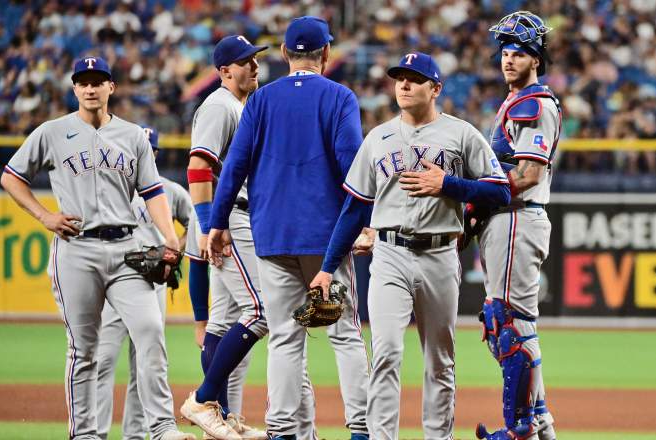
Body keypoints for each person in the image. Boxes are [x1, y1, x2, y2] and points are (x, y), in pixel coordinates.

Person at [310, 51, 511, 440]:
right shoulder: (378, 138)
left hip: (439, 254)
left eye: (414, 79)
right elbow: (354, 210)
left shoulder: (461, 133)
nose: (403, 84)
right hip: (389, 254)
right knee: (386, 353)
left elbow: (500, 192)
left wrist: (449, 185)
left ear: (435, 88)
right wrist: (326, 267)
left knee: (440, 361)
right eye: (399, 77)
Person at [0, 56, 194, 440]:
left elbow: (152, 190)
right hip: (77, 248)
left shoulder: (133, 135)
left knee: (151, 331)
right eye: (83, 82)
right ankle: (85, 434)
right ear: (75, 89)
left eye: (98, 81)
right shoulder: (52, 132)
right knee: (84, 350)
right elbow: (11, 177)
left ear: (111, 88)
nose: (90, 88)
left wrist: (170, 237)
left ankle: (160, 428)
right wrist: (44, 216)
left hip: (127, 249)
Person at [201, 17, 370, 440]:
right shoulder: (340, 96)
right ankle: (362, 430)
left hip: (271, 236)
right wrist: (364, 222)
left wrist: (217, 222)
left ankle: (281, 431)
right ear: (326, 55)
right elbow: (354, 169)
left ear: (283, 54)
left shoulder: (261, 100)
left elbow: (233, 166)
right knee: (345, 335)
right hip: (325, 236)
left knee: (284, 337)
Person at [178, 35, 271, 440]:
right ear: (223, 71)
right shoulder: (219, 105)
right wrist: (207, 225)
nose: (253, 66)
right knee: (262, 310)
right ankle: (203, 398)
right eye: (244, 61)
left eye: (254, 60)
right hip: (228, 220)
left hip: (230, 217)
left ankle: (222, 415)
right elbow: (198, 169)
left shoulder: (238, 105)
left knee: (222, 321)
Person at [473, 11, 560, 440]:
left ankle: (520, 428)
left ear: (536, 59)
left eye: (520, 52)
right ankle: (539, 424)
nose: (509, 59)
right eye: (506, 51)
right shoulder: (514, 100)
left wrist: (472, 193)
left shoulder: (534, 103)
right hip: (507, 220)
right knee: (512, 323)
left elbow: (527, 175)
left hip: (516, 217)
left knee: (507, 324)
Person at [94, 127, 192, 440]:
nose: (146, 153)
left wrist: (174, 252)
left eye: (151, 149)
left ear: (157, 154)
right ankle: (94, 433)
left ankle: (134, 435)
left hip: (152, 285)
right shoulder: (110, 188)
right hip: (113, 281)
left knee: (145, 362)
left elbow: (195, 222)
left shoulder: (171, 191)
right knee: (102, 359)